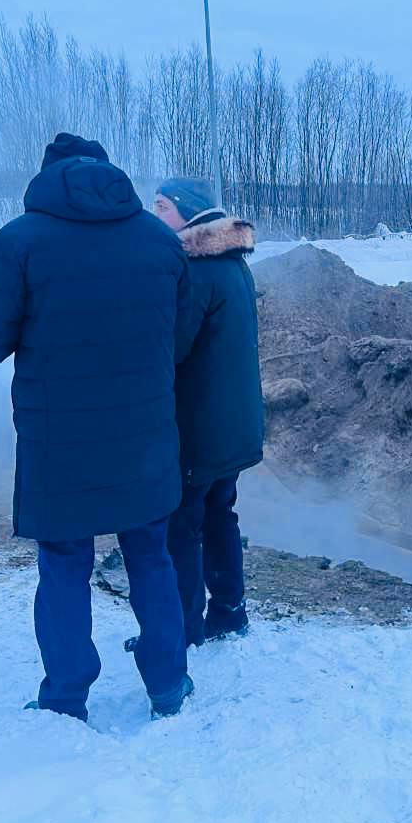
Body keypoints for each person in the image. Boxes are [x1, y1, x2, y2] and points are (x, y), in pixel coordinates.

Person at [0, 134, 194, 722]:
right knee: (151, 557)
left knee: (63, 565)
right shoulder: (160, 240)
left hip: (58, 443)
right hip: (145, 437)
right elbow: (180, 337)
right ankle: (168, 682)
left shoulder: (19, 242)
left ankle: (65, 697)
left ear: (46, 176)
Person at [152, 178, 264, 645]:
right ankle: (228, 611)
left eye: (160, 206)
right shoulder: (232, 263)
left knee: (183, 526)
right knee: (221, 514)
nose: (153, 214)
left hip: (200, 427)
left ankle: (182, 628)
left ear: (185, 211)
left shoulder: (195, 271)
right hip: (232, 424)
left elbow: (173, 349)